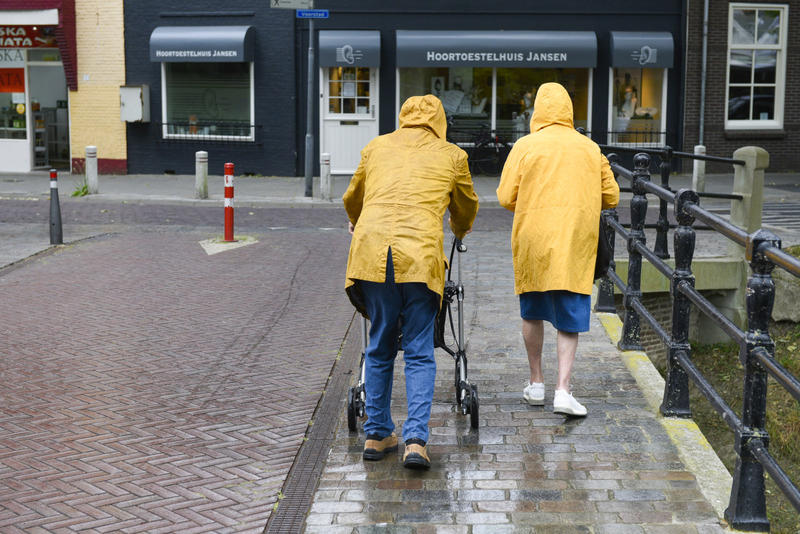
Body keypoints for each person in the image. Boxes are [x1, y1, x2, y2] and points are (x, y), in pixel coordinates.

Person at [343, 94, 479, 469]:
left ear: (403, 116)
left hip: (372, 255)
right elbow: (465, 205)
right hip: (419, 257)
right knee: (419, 348)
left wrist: (357, 219)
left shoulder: (376, 146)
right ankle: (415, 440)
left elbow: (353, 196)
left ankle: (376, 432)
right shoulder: (452, 155)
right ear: (439, 121)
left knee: (381, 342)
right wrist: (460, 230)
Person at [496, 82, 619, 417]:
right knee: (569, 315)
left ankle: (536, 383)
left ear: (538, 110)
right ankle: (563, 391)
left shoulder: (525, 146)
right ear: (568, 111)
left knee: (532, 310)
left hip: (533, 240)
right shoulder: (590, 149)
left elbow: (506, 197)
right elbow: (612, 197)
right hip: (573, 240)